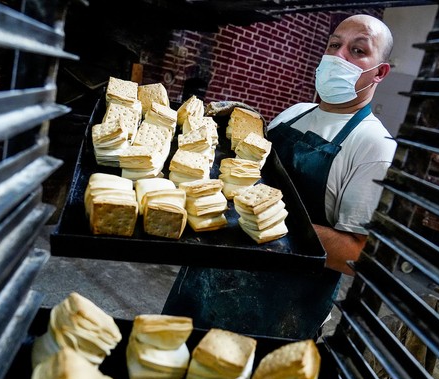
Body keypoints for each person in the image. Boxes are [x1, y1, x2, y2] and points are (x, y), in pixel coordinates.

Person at [162, 14, 397, 339]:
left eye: (357, 51)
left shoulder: (374, 147)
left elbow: (357, 255)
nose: (338, 56)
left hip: (277, 309)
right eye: (334, 44)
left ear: (380, 72)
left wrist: (263, 217)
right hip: (205, 278)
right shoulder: (294, 113)